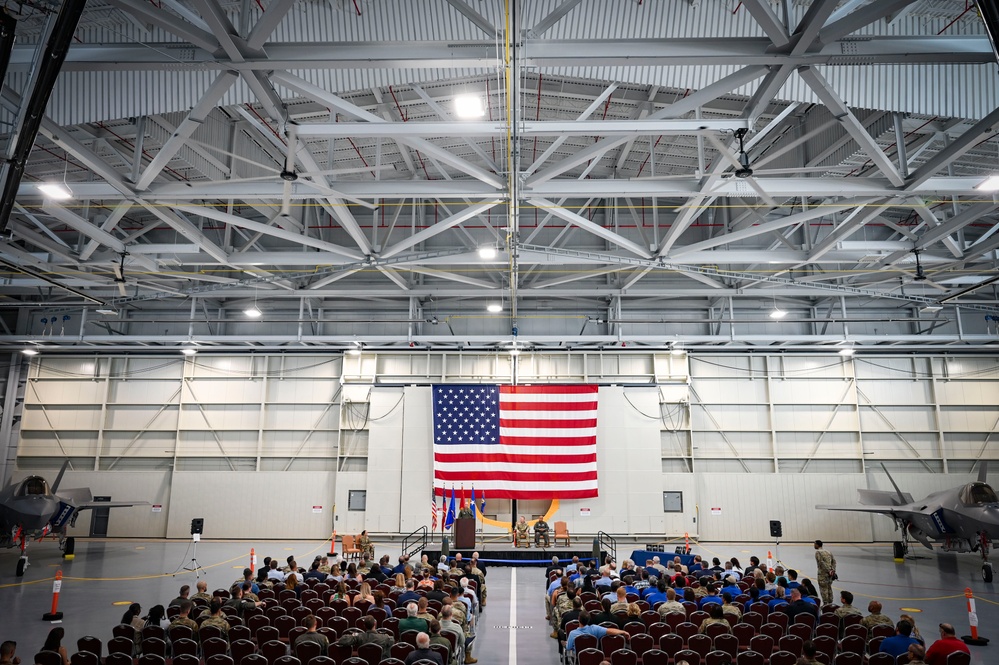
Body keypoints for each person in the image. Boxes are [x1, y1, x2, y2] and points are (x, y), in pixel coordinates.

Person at [565, 611, 629, 653]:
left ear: (578, 619)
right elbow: (610, 631)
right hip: (593, 658)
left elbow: (568, 648)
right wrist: (623, 632)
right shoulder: (595, 629)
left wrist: (565, 643)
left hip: (578, 660)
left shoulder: (572, 633)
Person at [813, 540, 836, 606]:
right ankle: (830, 603)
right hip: (830, 574)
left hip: (822, 574)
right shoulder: (828, 551)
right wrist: (832, 571)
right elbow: (834, 562)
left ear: (817, 545)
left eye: (814, 544)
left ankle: (825, 604)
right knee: (829, 588)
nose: (814, 545)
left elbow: (821, 562)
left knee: (823, 589)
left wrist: (828, 570)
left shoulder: (818, 552)